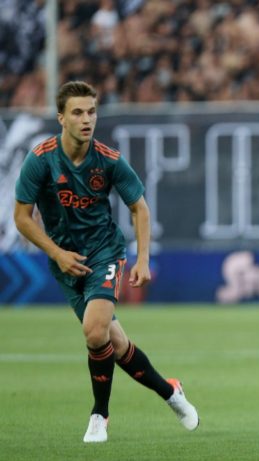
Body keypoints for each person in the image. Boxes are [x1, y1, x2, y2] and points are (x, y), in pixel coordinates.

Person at [13, 81, 199, 442]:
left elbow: (139, 208)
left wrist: (142, 259)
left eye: (92, 112)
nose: (87, 120)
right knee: (115, 343)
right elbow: (21, 217)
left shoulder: (109, 160)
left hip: (104, 252)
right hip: (65, 262)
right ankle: (170, 391)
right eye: (78, 113)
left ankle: (100, 414)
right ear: (61, 118)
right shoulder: (41, 159)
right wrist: (57, 253)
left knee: (95, 331)